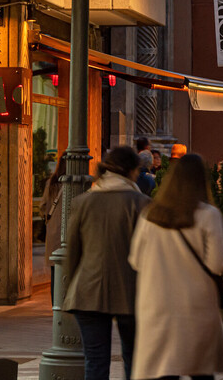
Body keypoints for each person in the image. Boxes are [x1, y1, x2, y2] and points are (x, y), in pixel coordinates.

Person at [129, 154, 223, 380]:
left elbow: (136, 259)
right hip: (195, 304)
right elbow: (216, 264)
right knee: (200, 369)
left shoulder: (150, 215)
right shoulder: (207, 215)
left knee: (164, 369)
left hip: (156, 303)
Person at [63, 147, 151, 380]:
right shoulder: (142, 204)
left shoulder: (83, 202)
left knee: (95, 362)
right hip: (131, 292)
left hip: (88, 292)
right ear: (132, 171)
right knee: (134, 360)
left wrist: (71, 288)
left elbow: (72, 252)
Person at [39, 153, 66, 301]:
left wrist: (48, 218)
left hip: (53, 232)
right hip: (69, 233)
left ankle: (55, 304)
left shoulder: (51, 182)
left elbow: (42, 205)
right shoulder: (74, 183)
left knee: (55, 270)